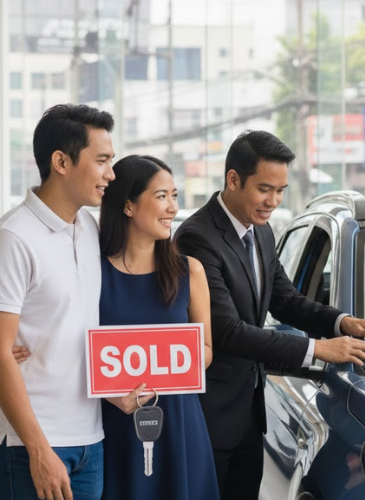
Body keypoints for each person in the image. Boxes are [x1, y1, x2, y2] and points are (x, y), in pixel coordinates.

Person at [175, 130, 365, 499]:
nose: (274, 201)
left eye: (280, 191)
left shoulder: (260, 232)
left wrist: (340, 322)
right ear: (233, 179)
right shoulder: (198, 238)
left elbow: (285, 300)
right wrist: (319, 350)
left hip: (249, 414)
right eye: (265, 189)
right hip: (210, 418)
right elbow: (229, 331)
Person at [0, 104, 115, 500]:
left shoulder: (87, 227)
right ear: (61, 162)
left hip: (90, 436)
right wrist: (39, 449)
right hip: (28, 444)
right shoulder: (12, 238)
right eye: (102, 160)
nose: (111, 174)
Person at [96, 154, 219, 499]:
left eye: (174, 196)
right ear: (129, 206)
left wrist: (161, 367)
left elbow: (207, 350)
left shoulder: (189, 271)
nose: (173, 208)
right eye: (161, 196)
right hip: (114, 421)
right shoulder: (92, 274)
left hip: (179, 421)